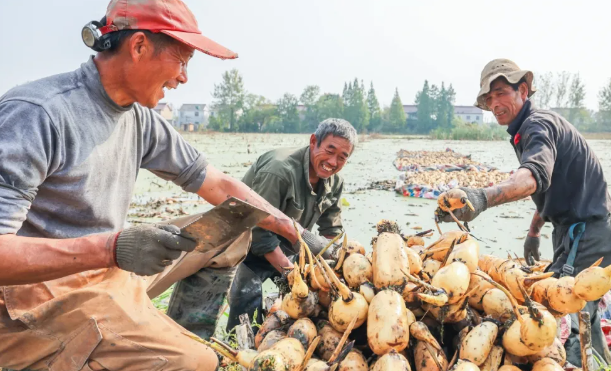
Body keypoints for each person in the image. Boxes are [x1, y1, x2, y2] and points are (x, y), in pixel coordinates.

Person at [0, 1, 329, 370]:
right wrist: (111, 249)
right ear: (139, 46)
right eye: (182, 61)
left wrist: (295, 231)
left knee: (233, 229)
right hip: (36, 301)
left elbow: (217, 183)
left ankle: (161, 334)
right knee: (198, 364)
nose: (184, 78)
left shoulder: (139, 118)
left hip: (109, 273)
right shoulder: (38, 113)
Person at [437, 59, 611, 366]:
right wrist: (535, 232)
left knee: (572, 315)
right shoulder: (526, 129)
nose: (495, 104)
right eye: (489, 98)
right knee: (582, 310)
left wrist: (480, 198)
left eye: (500, 93)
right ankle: (601, 361)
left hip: (588, 233)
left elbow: (531, 178)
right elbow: (546, 188)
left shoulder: (537, 126)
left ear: (523, 90)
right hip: (573, 231)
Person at [167, 118, 357, 338]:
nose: (333, 162)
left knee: (300, 305)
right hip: (240, 244)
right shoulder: (279, 170)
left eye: (342, 157)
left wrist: (337, 267)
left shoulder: (334, 181)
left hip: (286, 245)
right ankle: (232, 346)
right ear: (314, 141)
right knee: (246, 298)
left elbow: (331, 230)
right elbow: (258, 230)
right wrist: (289, 272)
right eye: (329, 151)